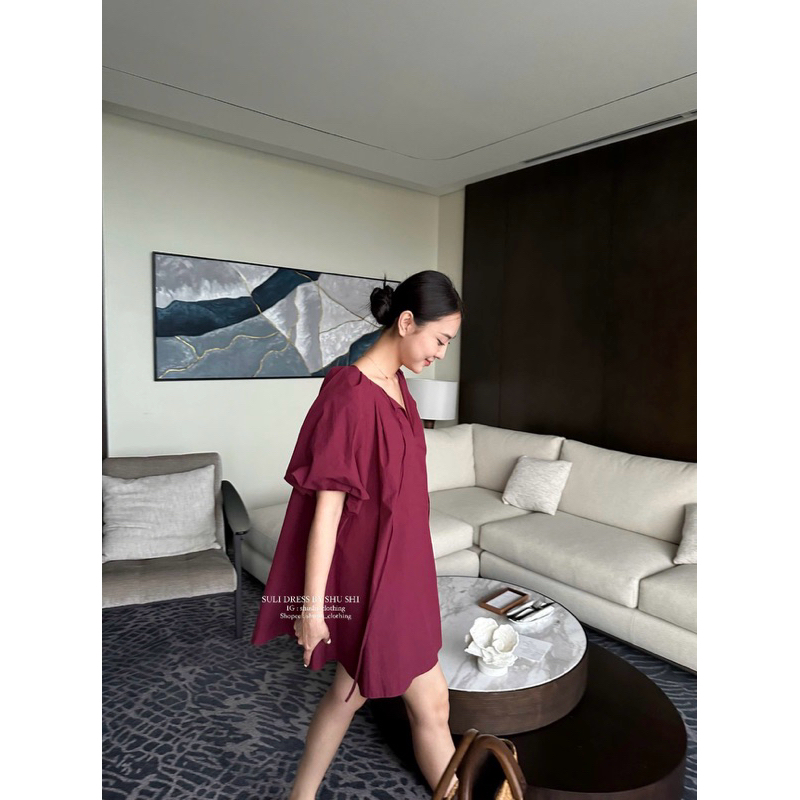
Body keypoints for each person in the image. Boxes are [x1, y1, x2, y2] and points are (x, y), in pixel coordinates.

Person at [250, 270, 464, 800]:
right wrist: (313, 609)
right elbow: (325, 514)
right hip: (374, 579)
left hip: (405, 573)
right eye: (440, 340)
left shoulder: (400, 387)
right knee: (429, 704)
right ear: (407, 322)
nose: (441, 354)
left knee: (351, 692)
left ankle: (300, 796)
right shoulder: (350, 394)